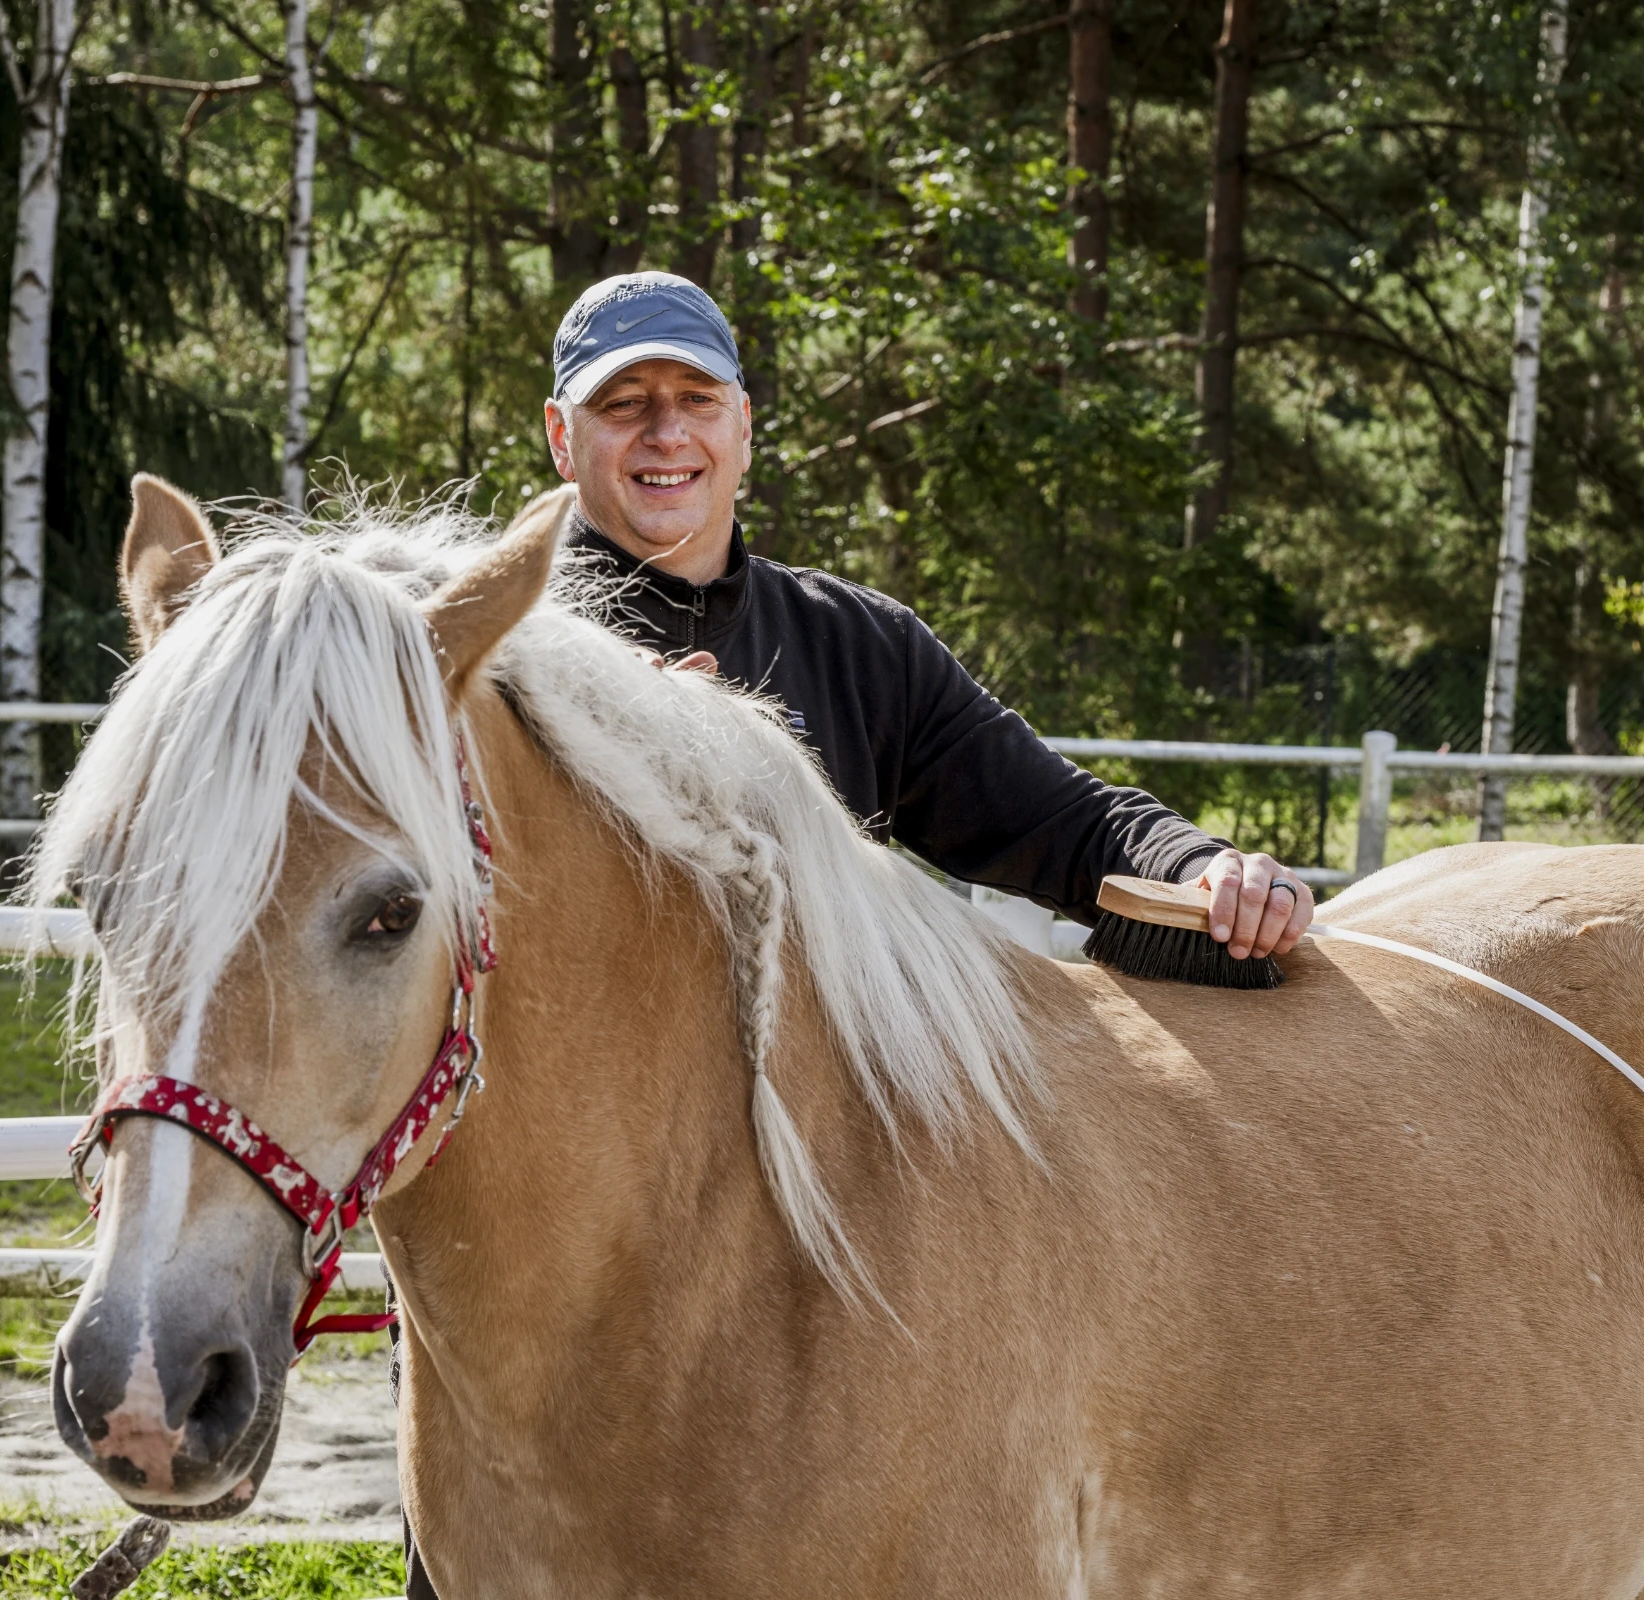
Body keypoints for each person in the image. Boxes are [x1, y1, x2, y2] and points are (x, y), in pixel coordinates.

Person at [400, 271, 1315, 1598]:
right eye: (623, 408)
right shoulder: (492, 661)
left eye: (692, 401)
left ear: (743, 428)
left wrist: (1201, 866)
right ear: (562, 438)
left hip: (797, 1286)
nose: (664, 435)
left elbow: (1053, 821)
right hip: (550, 1293)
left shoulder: (854, 646)